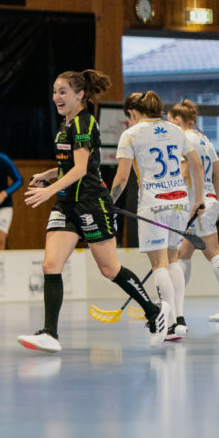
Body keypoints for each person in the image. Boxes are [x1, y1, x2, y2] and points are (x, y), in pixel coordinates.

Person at [18, 70, 169, 353]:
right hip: (66, 204)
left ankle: (152, 312)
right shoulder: (67, 124)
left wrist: (48, 190)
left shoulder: (84, 122)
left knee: (109, 269)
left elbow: (81, 169)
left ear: (80, 95)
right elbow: (68, 167)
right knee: (51, 265)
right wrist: (49, 175)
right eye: (54, 91)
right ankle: (50, 333)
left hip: (90, 202)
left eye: (62, 91)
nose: (56, 97)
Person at [110, 90, 204, 339]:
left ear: (132, 112)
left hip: (154, 203)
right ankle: (179, 320)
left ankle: (166, 322)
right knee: (173, 260)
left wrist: (108, 203)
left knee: (159, 264)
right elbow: (196, 164)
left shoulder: (130, 135)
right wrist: (199, 199)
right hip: (180, 202)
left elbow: (121, 177)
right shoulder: (175, 130)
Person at [166, 100, 219, 320]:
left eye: (170, 122)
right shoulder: (205, 139)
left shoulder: (184, 138)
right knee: (182, 254)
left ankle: (171, 306)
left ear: (178, 120)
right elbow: (217, 172)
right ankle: (174, 306)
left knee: (214, 254)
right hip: (208, 200)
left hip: (196, 205)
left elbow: (184, 171)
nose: (170, 126)